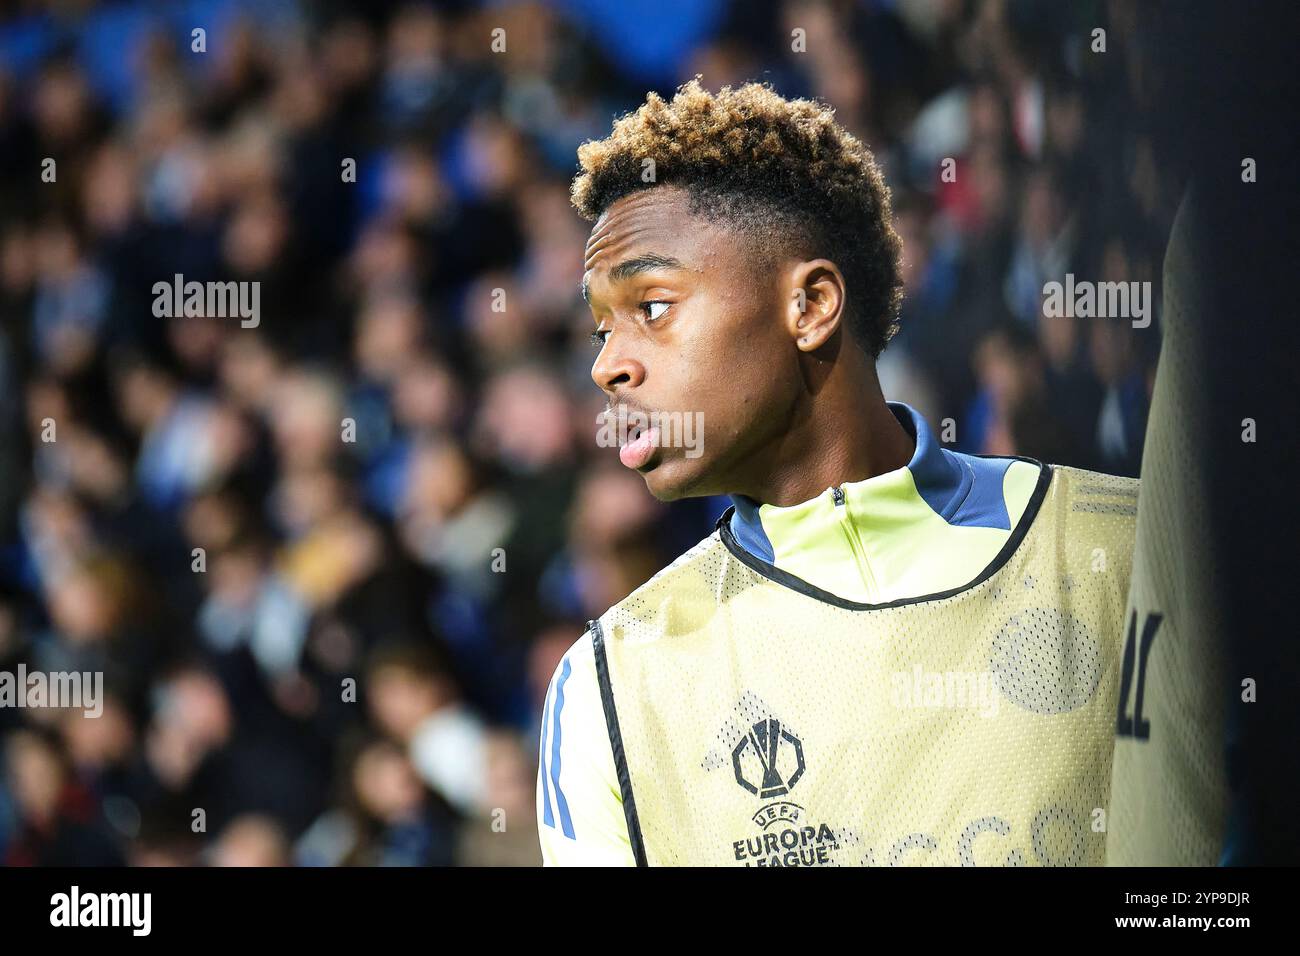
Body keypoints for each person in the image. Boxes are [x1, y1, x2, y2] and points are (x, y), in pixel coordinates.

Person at [536, 81, 1140, 866]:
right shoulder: (610, 686)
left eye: (651, 307)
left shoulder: (1128, 545)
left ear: (812, 304)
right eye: (600, 329)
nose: (609, 365)